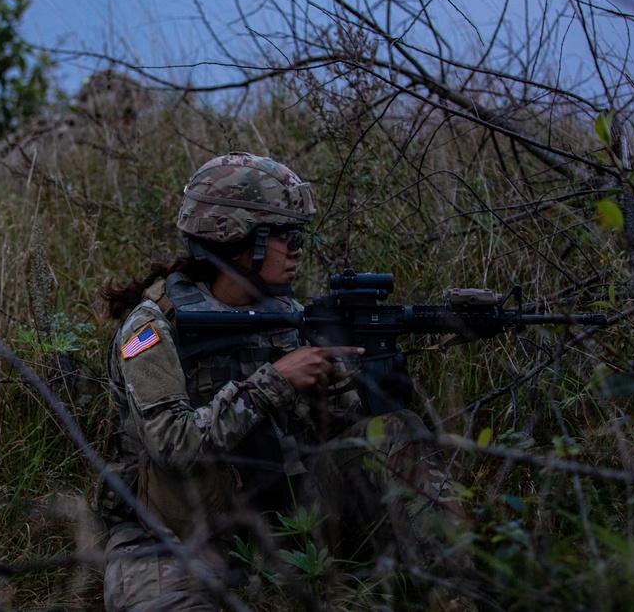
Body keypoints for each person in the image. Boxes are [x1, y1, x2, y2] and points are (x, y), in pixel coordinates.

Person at [96, 152, 475, 611]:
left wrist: (374, 381)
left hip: (285, 511)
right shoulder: (150, 329)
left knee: (397, 432)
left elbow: (337, 426)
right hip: (174, 527)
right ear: (238, 241)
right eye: (287, 236)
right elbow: (173, 446)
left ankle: (456, 595)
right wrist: (275, 380)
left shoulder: (283, 313)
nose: (298, 250)